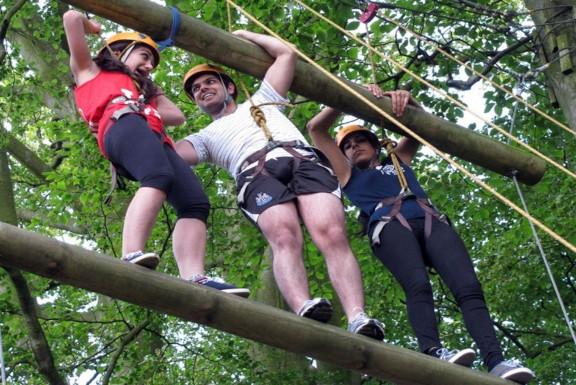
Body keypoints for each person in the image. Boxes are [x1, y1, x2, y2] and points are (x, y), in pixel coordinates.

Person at [306, 85, 535, 383]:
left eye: (362, 141)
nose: (354, 147)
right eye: (348, 146)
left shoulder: (398, 162)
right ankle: (433, 351)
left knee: (469, 289)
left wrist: (402, 97)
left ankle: (497, 361)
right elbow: (316, 127)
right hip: (389, 225)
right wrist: (356, 92)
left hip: (431, 220)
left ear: (377, 147)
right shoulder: (347, 174)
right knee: (418, 286)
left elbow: (421, 124)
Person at [176, 30, 384, 339]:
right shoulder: (204, 138)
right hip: (255, 173)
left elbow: (286, 54)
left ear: (229, 87)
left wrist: (242, 34)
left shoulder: (264, 98)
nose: (202, 89)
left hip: (302, 160)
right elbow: (167, 155)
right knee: (284, 235)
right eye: (195, 89)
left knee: (332, 232)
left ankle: (357, 315)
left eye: (209, 82)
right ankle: (304, 306)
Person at [62, 10, 248, 297]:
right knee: (157, 176)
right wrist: (93, 25)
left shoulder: (140, 91)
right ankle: (130, 251)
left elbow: (176, 116)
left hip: (153, 137)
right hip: (121, 126)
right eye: (144, 57)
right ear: (120, 51)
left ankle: (194, 276)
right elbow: (72, 18)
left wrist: (146, 89)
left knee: (195, 203)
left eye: (151, 62)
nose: (149, 65)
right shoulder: (90, 70)